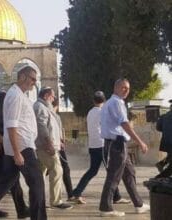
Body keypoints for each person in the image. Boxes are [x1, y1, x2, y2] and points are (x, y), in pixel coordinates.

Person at [0, 66, 47, 220]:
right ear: (22, 77)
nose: (34, 83)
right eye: (32, 79)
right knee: (37, 184)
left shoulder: (18, 94)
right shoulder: (15, 95)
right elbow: (11, 125)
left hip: (16, 146)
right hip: (22, 146)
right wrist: (17, 152)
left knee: (6, 180)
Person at [99, 78, 150, 217]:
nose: (126, 90)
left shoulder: (109, 103)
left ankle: (138, 204)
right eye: (123, 87)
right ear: (116, 88)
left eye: (128, 88)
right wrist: (140, 142)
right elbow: (124, 124)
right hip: (117, 144)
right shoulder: (116, 102)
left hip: (117, 144)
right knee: (114, 176)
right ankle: (106, 207)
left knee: (129, 174)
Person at [70, 91, 130, 205]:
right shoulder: (103, 112)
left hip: (93, 145)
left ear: (94, 101)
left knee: (93, 170)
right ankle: (116, 197)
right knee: (111, 171)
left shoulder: (90, 112)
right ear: (104, 100)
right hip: (102, 145)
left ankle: (77, 192)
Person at [0, 91, 30, 218]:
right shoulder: (2, 106)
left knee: (12, 180)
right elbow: (2, 125)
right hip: (1, 149)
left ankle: (20, 209)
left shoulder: (2, 106)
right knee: (1, 179)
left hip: (4, 148)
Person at [33, 87, 72, 210]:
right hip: (46, 147)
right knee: (57, 170)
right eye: (52, 96)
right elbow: (42, 126)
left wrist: (58, 141)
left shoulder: (45, 107)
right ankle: (56, 201)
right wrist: (49, 143)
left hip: (47, 145)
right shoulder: (40, 107)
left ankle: (38, 201)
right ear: (46, 96)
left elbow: (51, 126)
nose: (54, 98)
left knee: (40, 174)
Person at [155, 99, 172, 178]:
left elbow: (158, 128)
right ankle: (158, 178)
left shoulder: (163, 116)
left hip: (166, 142)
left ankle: (161, 164)